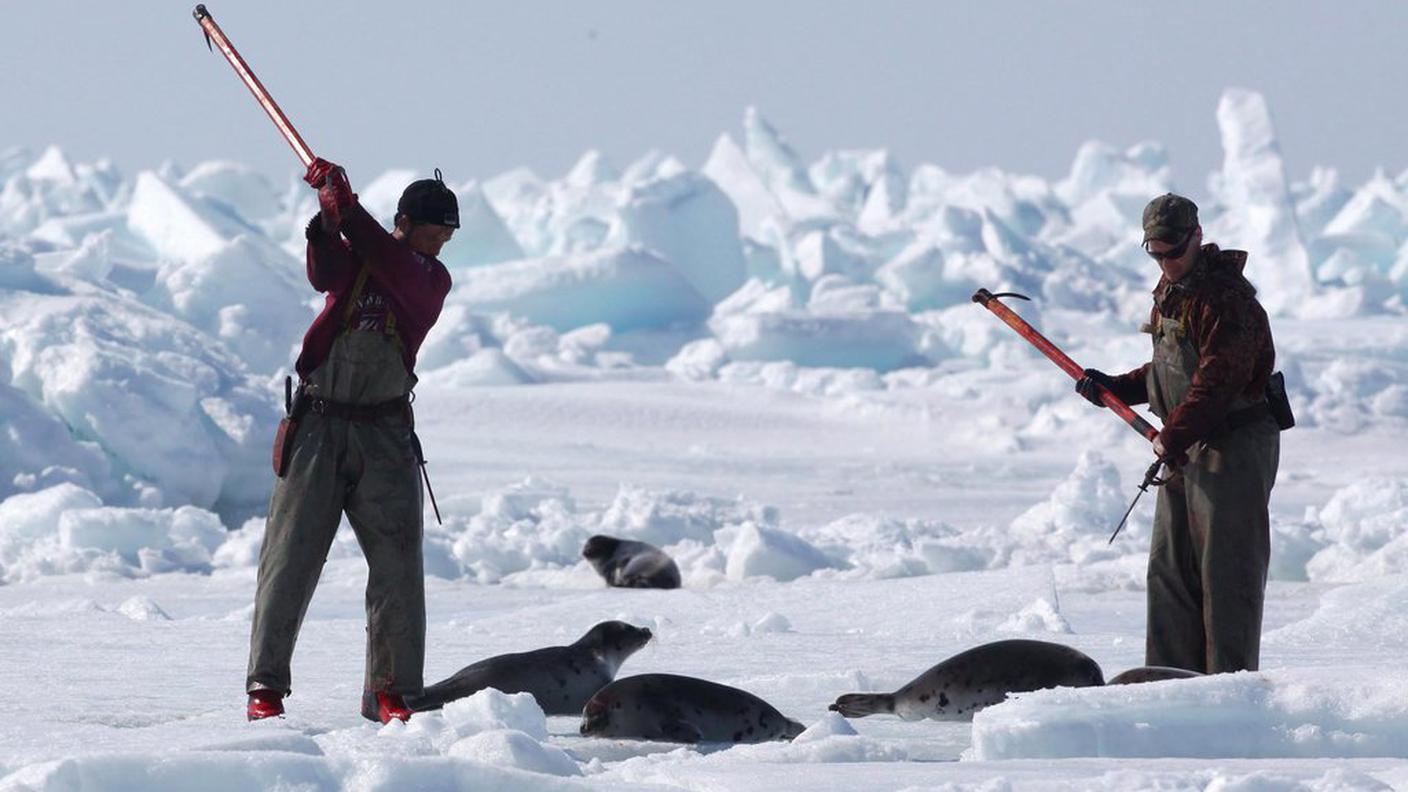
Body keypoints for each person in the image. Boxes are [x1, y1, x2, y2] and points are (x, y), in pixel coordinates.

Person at [245, 158, 457, 723]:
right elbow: (325, 272)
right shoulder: (366, 256)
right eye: (433, 232)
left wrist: (347, 207)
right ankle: (265, 688)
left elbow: (391, 265)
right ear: (405, 222)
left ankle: (392, 691)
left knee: (398, 568)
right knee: (287, 562)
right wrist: (327, 215)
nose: (439, 244)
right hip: (318, 424)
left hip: (385, 434)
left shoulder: (428, 279)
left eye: (447, 237)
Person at [1076, 193, 1280, 674]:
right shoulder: (1174, 292)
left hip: (1231, 451)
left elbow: (1217, 379)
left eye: (1174, 251)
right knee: (1169, 571)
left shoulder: (1226, 301)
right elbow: (1170, 368)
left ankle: (1225, 693)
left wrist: (1174, 432)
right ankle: (1168, 688)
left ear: (1197, 237)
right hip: (1184, 446)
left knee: (1225, 575)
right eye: (1156, 253)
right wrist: (1119, 387)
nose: (1166, 262)